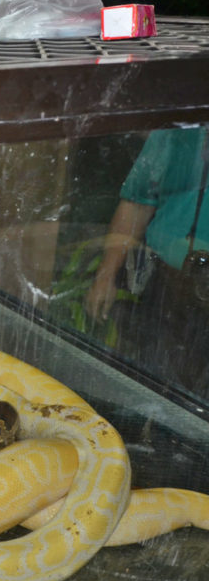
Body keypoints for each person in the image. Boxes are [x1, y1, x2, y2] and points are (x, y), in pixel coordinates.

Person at [85, 126, 209, 399]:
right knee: (152, 384)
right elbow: (136, 205)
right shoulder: (175, 132)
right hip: (166, 288)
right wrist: (105, 276)